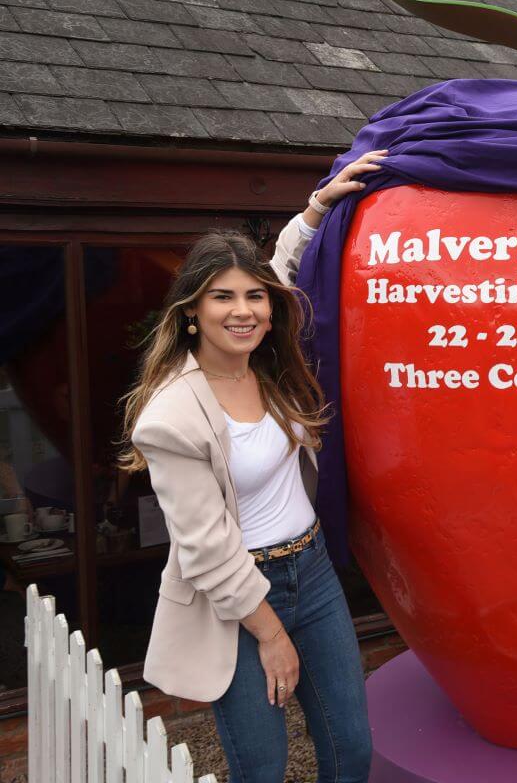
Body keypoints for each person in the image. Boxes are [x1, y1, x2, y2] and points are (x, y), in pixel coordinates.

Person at [118, 149, 387, 783]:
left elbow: (279, 265)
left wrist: (320, 205)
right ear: (190, 314)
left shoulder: (265, 365)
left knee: (351, 749)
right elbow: (207, 549)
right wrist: (270, 634)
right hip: (234, 599)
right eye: (221, 298)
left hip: (312, 571)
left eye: (255, 299)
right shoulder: (170, 417)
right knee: (261, 767)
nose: (244, 310)